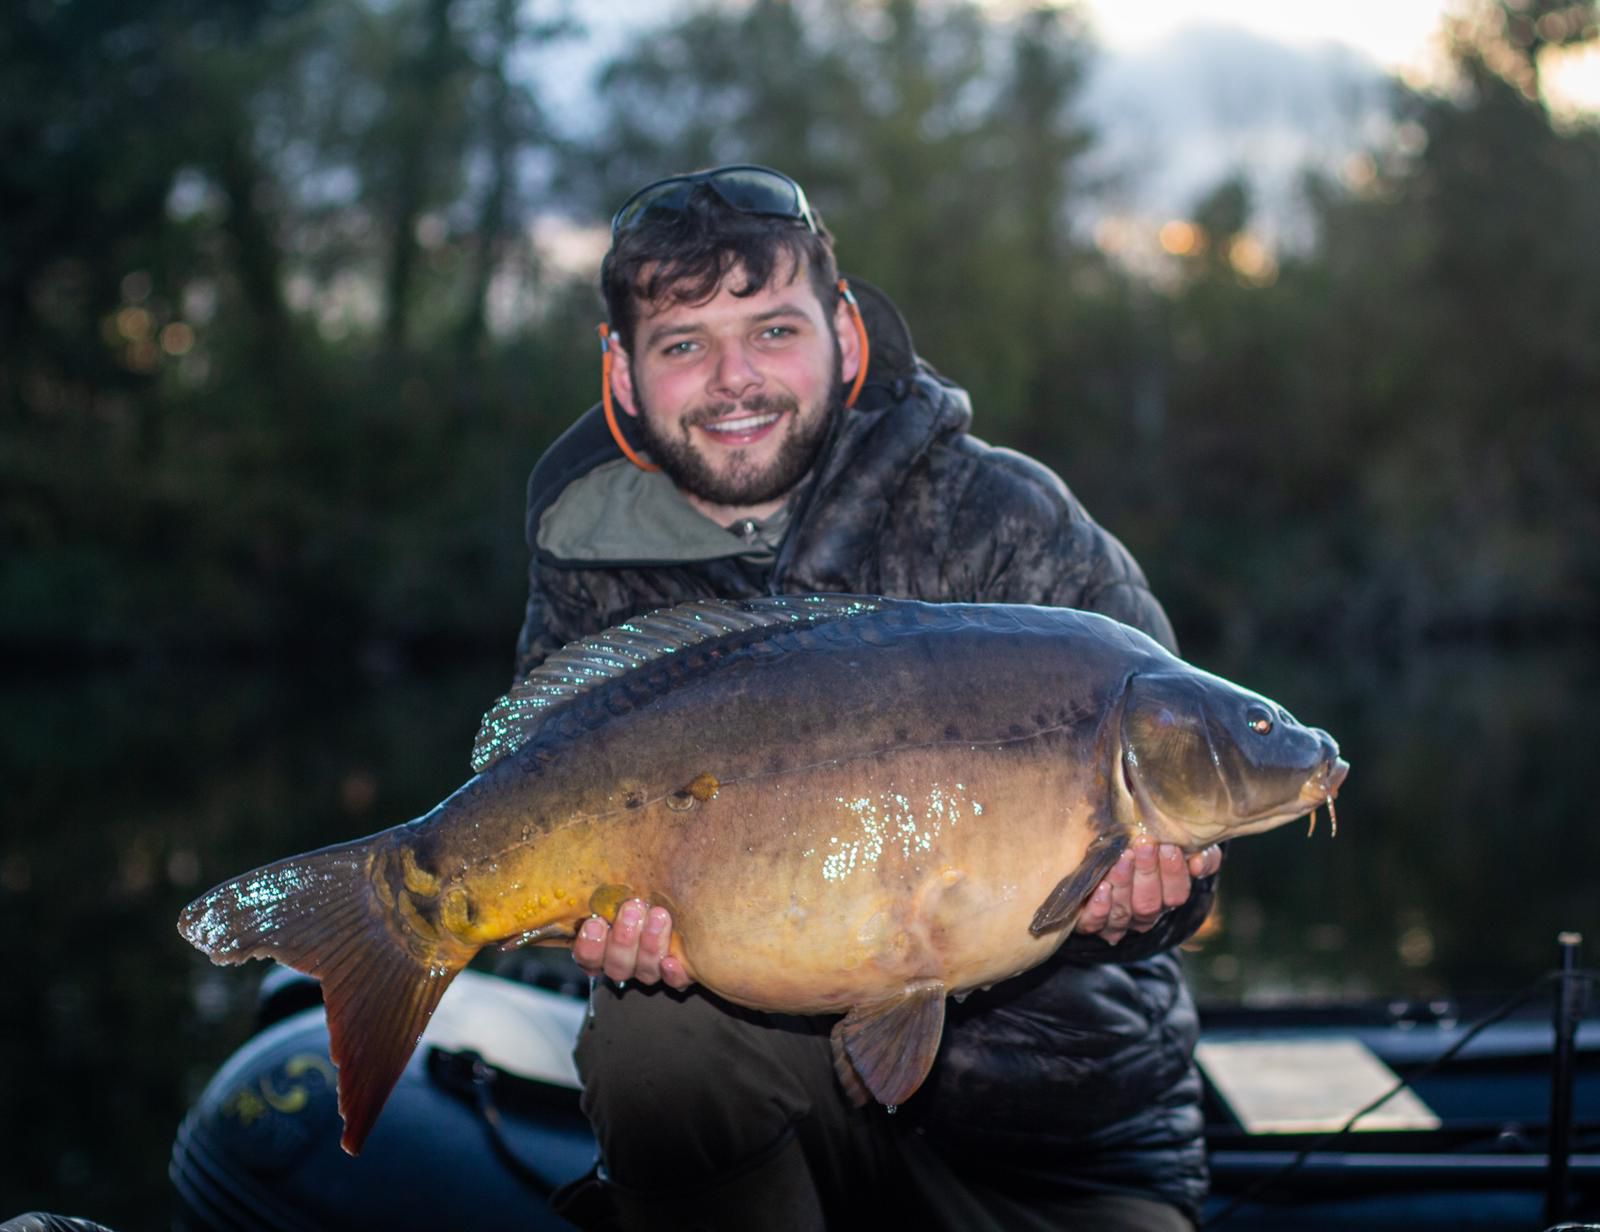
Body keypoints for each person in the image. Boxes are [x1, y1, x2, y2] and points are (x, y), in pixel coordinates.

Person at [511, 164, 1222, 1231]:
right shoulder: (589, 563)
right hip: (784, 1100)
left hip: (1059, 1147)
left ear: (844, 332)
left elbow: (1189, 822)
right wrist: (597, 935)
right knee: (651, 1031)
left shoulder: (1002, 516)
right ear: (622, 372)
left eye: (773, 330)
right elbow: (529, 797)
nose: (734, 378)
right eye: (683, 344)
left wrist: (1149, 904)